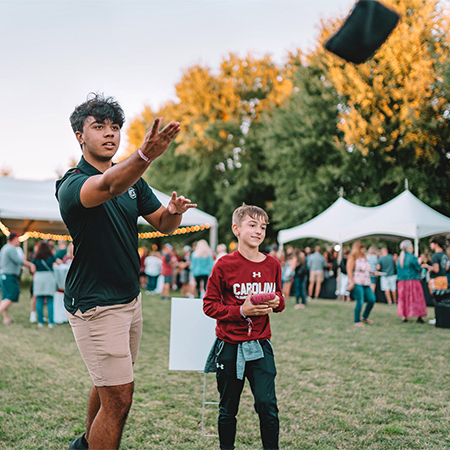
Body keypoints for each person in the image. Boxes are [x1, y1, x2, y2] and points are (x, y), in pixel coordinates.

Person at [55, 93, 196, 450]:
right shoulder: (72, 184)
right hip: (96, 305)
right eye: (99, 126)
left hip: (130, 300)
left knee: (109, 386)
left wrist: (175, 210)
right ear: (79, 136)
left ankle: (85, 444)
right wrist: (145, 155)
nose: (110, 133)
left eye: (115, 127)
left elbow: (163, 224)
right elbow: (107, 186)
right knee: (119, 398)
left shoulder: (134, 181)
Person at [203, 204, 285, 450]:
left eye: (263, 227)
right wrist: (241, 311)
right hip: (229, 345)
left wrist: (278, 302)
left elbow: (280, 300)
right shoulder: (224, 265)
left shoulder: (273, 264)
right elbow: (209, 306)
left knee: (267, 405)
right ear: (236, 229)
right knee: (228, 408)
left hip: (260, 345)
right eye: (252, 225)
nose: (259, 231)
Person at [0, 232, 35, 324]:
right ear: (14, 239)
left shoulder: (5, 248)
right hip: (9, 276)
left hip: (5, 276)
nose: (19, 240)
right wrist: (31, 264)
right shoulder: (11, 249)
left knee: (6, 297)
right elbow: (20, 261)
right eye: (17, 238)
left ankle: (6, 318)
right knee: (11, 296)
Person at [31, 241, 61, 328]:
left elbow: (33, 269)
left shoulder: (35, 257)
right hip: (49, 278)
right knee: (50, 300)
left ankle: (40, 321)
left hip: (39, 277)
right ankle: (51, 322)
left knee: (39, 300)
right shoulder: (51, 256)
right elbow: (59, 262)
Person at [396, 240, 427, 323]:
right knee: (417, 298)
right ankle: (419, 316)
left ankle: (404, 316)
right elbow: (418, 268)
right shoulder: (412, 257)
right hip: (412, 280)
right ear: (409, 247)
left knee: (404, 299)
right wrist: (420, 263)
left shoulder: (400, 258)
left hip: (402, 281)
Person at [347, 241, 376, 327]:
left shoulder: (365, 258)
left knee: (372, 299)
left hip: (366, 282)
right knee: (360, 301)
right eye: (362, 248)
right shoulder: (353, 258)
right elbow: (349, 271)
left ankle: (364, 317)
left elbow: (367, 269)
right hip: (357, 282)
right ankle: (356, 320)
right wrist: (352, 281)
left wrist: (374, 273)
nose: (364, 249)